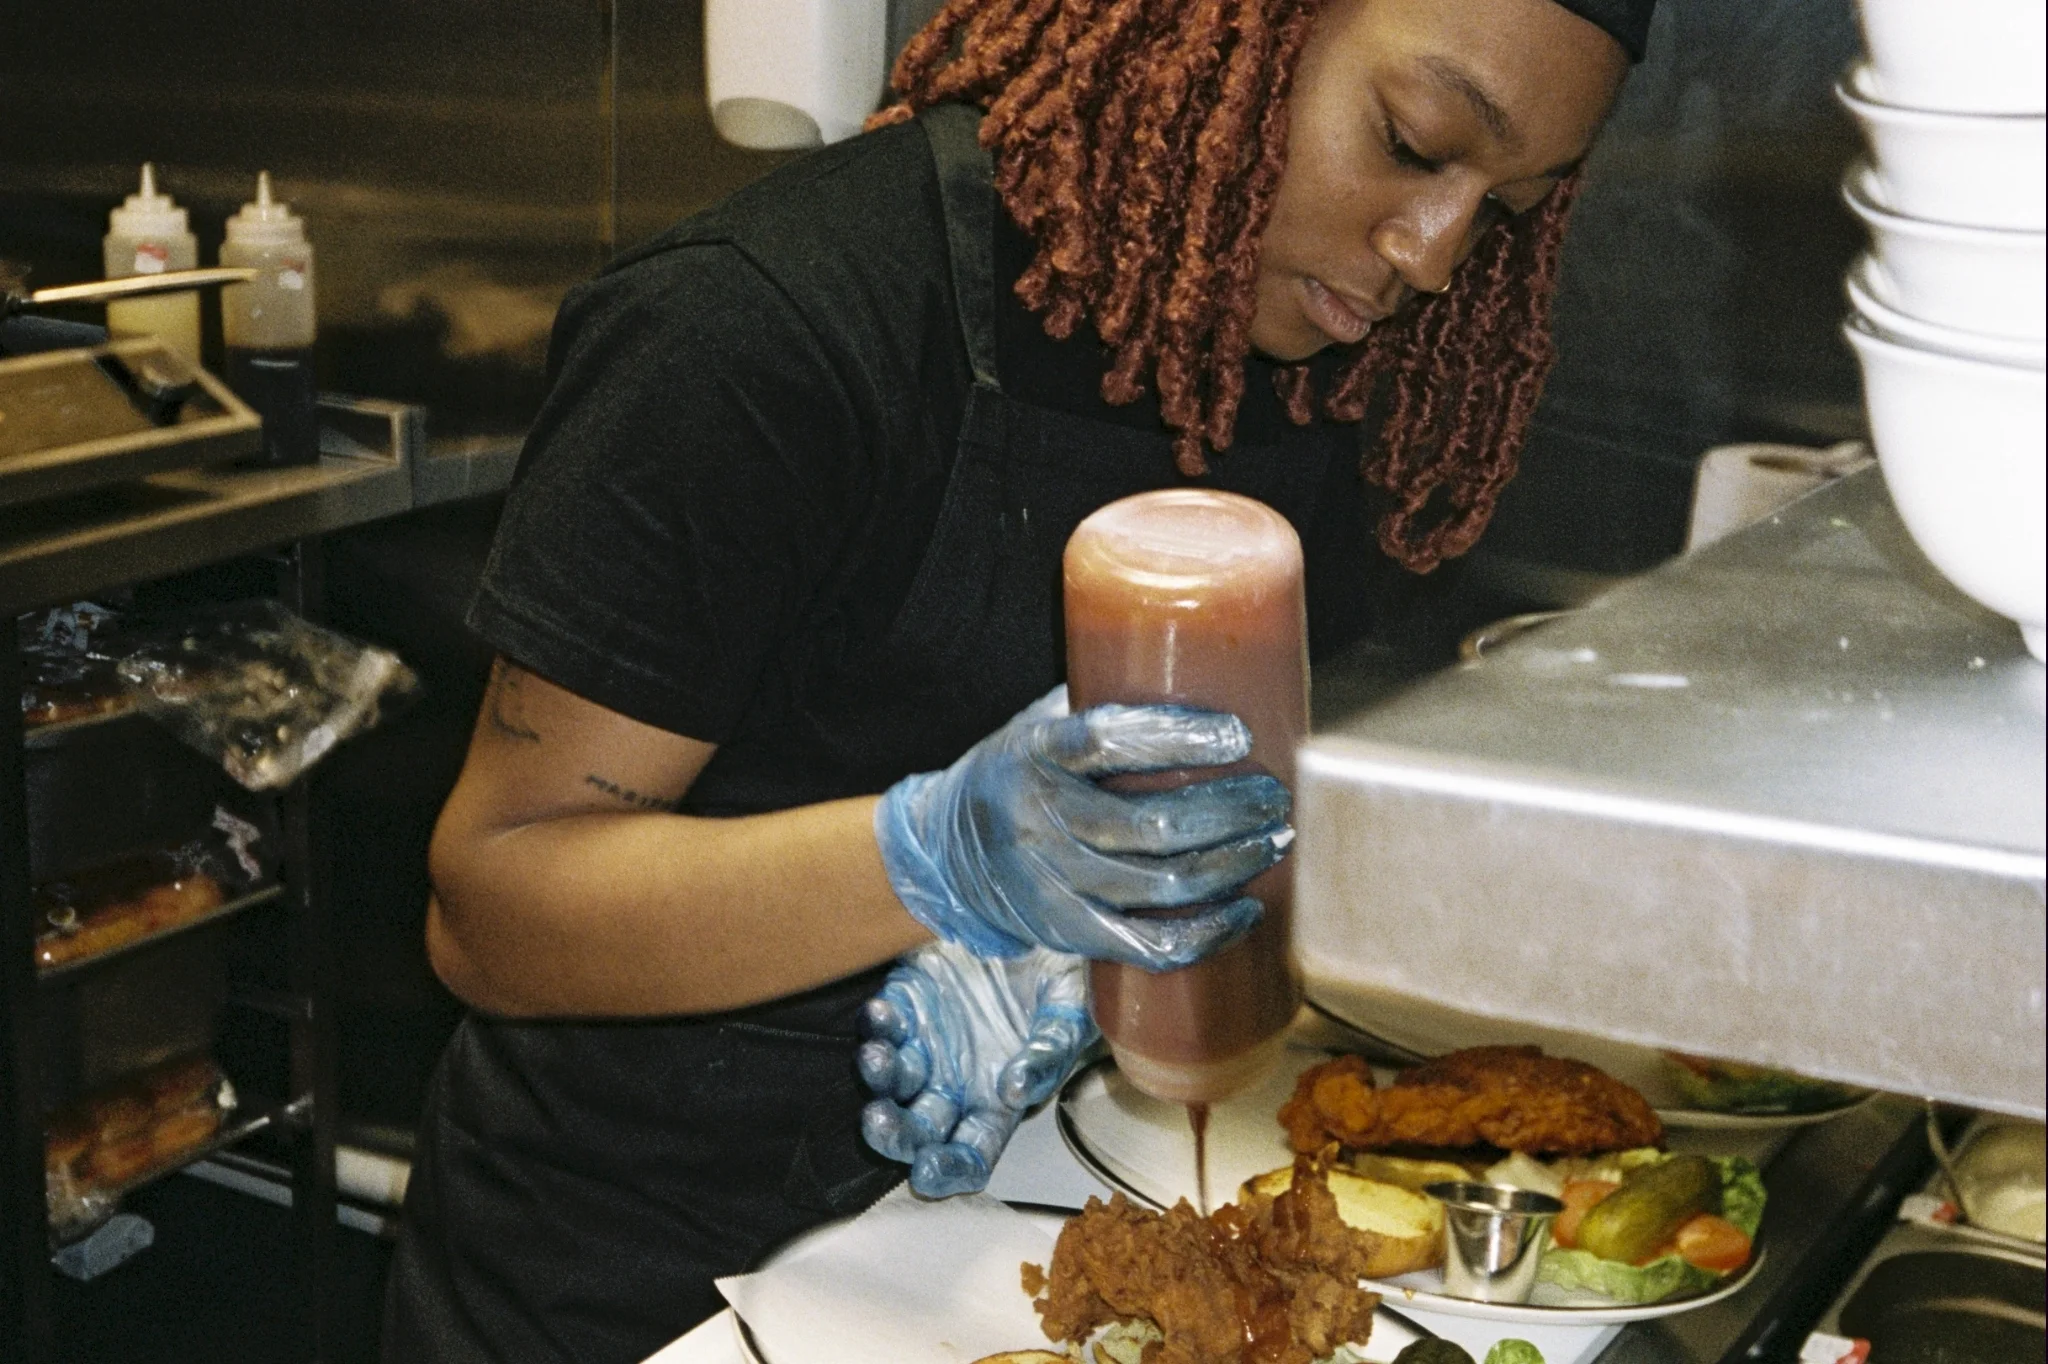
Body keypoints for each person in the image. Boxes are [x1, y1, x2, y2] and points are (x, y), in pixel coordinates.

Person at [383, 0, 1646, 1358]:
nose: (1434, 253)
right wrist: (937, 867)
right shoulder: (763, 325)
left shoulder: (1323, 365)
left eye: (1504, 209)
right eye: (1411, 142)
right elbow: (492, 907)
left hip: (997, 1251)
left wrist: (1089, 936)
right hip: (627, 1279)